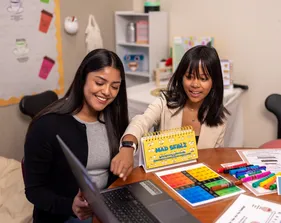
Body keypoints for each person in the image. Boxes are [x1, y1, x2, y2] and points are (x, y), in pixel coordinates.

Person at [24, 49, 134, 223]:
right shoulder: (46, 125)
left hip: (108, 206)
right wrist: (71, 206)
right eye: (99, 83)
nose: (107, 92)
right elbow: (34, 190)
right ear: (83, 78)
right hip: (66, 214)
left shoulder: (115, 119)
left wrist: (128, 148)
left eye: (115, 86)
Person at [120, 45, 229, 152]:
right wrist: (128, 146)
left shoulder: (219, 119)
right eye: (189, 77)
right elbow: (141, 121)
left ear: (214, 81)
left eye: (203, 78)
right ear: (181, 77)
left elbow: (216, 157)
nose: (195, 84)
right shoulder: (164, 103)